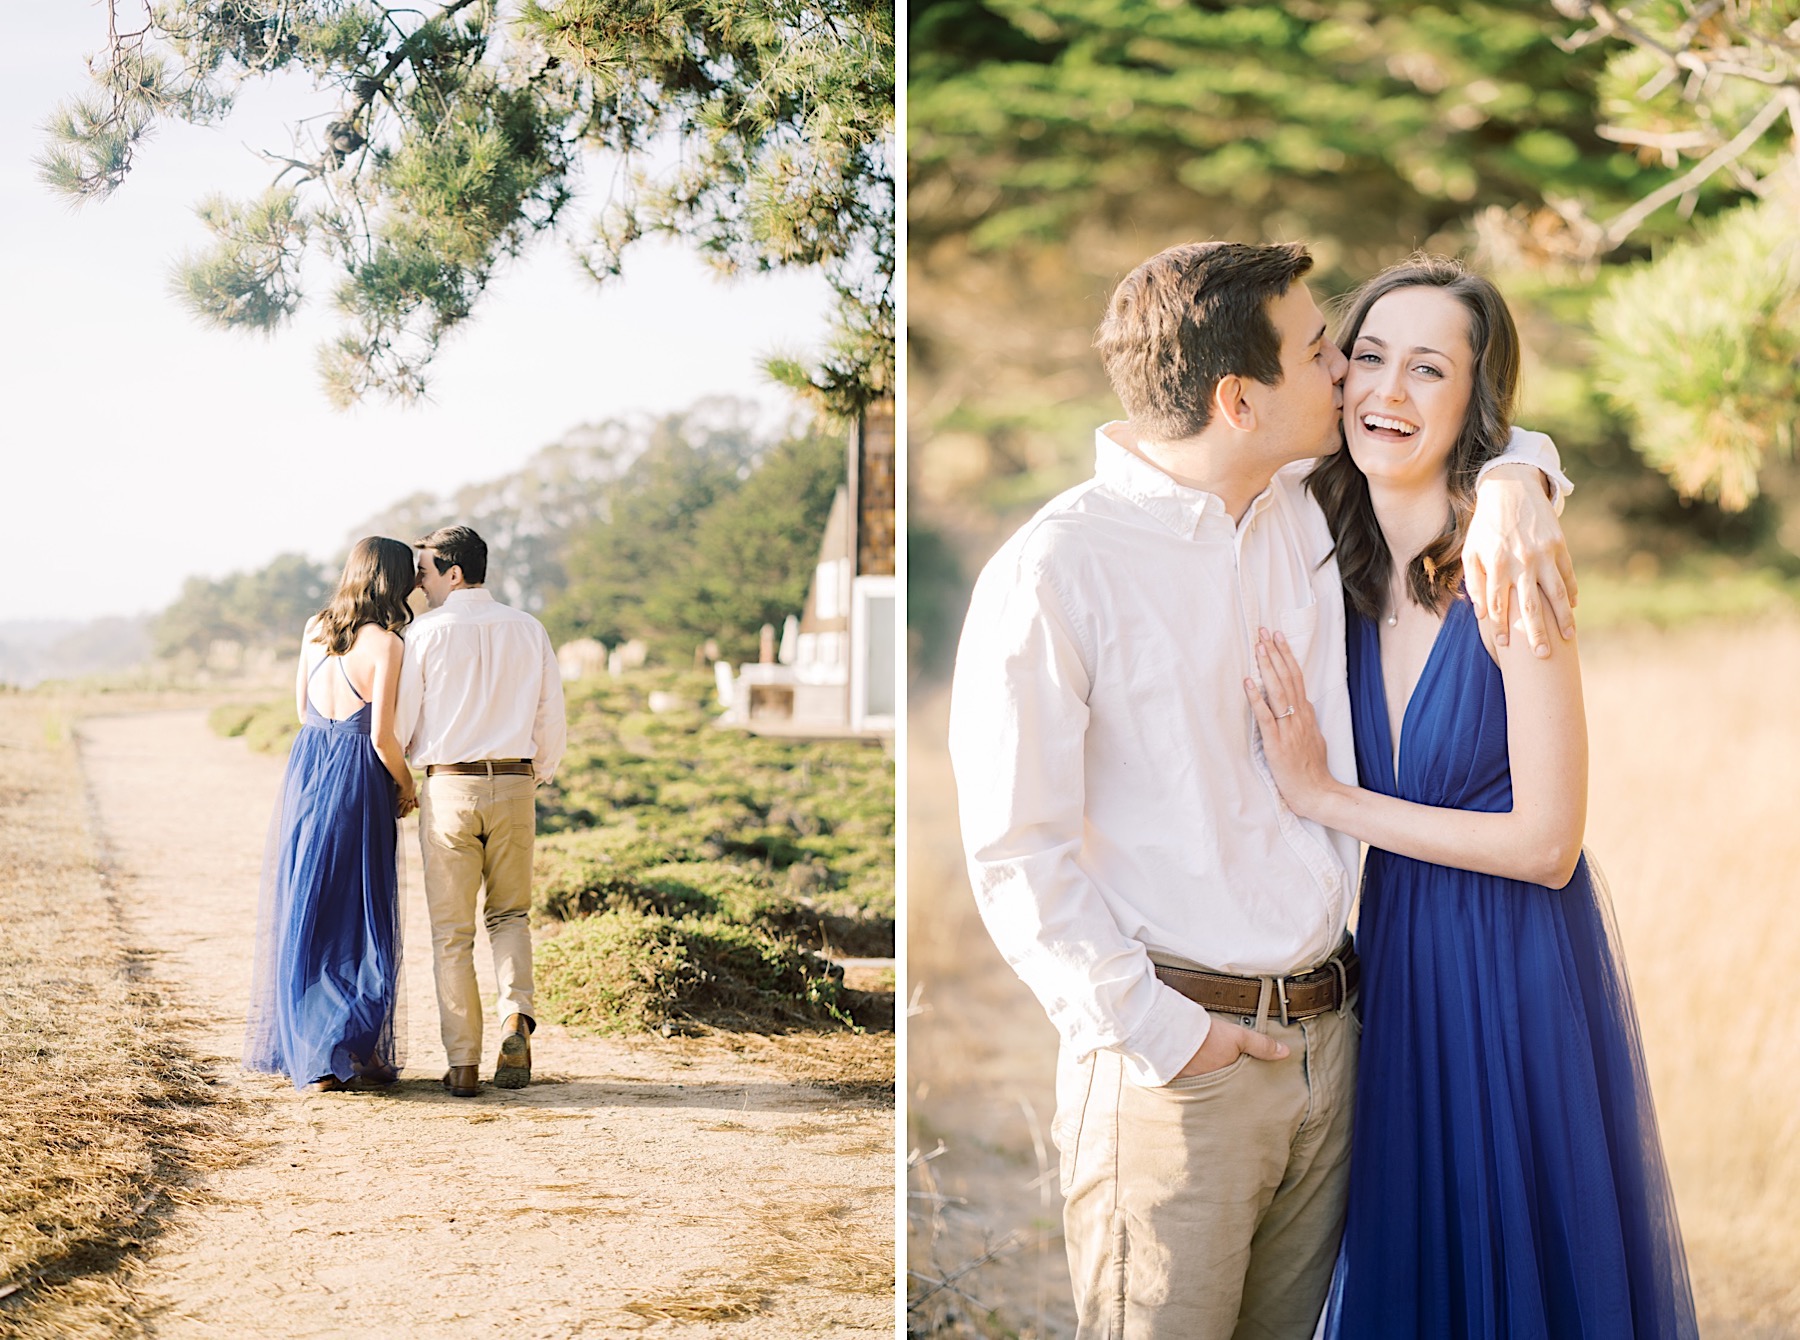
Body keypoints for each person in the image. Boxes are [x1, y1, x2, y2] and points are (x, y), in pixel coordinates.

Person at [948, 240, 1578, 1339]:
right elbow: (1015, 853)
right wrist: (1164, 1035)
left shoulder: (1304, 508)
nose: (1346, 371)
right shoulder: (1057, 570)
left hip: (1337, 1052)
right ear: (1242, 398)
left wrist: (1523, 473)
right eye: (1323, 350)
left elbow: (1457, 427)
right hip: (1177, 1069)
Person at [1247, 256, 1698, 1338]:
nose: (1387, 393)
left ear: (1473, 402)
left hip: (1517, 959)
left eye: (1429, 369)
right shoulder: (1313, 538)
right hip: (1393, 960)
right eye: (1368, 358)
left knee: (1522, 1263)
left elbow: (1548, 841)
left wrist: (1324, 795)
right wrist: (1523, 471)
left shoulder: (1512, 571)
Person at [396, 525, 565, 1098]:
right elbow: (551, 718)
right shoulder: (529, 628)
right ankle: (515, 1019)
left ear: (454, 573)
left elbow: (402, 724)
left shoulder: (423, 635)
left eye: (423, 574)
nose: (417, 586)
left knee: (451, 934)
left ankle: (463, 1063)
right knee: (510, 916)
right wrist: (532, 775)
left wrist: (410, 770)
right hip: (516, 782)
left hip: (450, 789)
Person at [244, 537, 418, 1094]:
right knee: (360, 914)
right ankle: (345, 1048)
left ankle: (314, 1052)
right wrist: (408, 786)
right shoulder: (387, 643)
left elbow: (301, 709)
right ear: (392, 580)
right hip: (356, 776)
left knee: (310, 903)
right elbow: (384, 736)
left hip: (308, 767)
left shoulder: (315, 628)